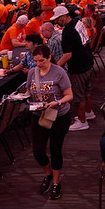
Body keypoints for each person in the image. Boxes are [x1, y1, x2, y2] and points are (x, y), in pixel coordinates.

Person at [27, 45, 74, 199]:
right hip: (39, 115)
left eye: (41, 61)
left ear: (49, 58)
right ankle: (48, 174)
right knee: (38, 151)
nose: (38, 64)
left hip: (59, 115)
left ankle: (55, 182)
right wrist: (21, 97)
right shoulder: (32, 73)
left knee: (55, 149)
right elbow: (29, 91)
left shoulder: (59, 72)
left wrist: (57, 103)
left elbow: (69, 95)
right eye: (36, 61)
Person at [52, 5, 95, 131]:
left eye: (58, 18)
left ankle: (82, 121)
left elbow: (67, 55)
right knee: (87, 92)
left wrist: (54, 68)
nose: (56, 21)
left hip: (78, 67)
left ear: (64, 16)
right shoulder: (78, 22)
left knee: (78, 96)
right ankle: (89, 112)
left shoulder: (67, 31)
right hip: (88, 62)